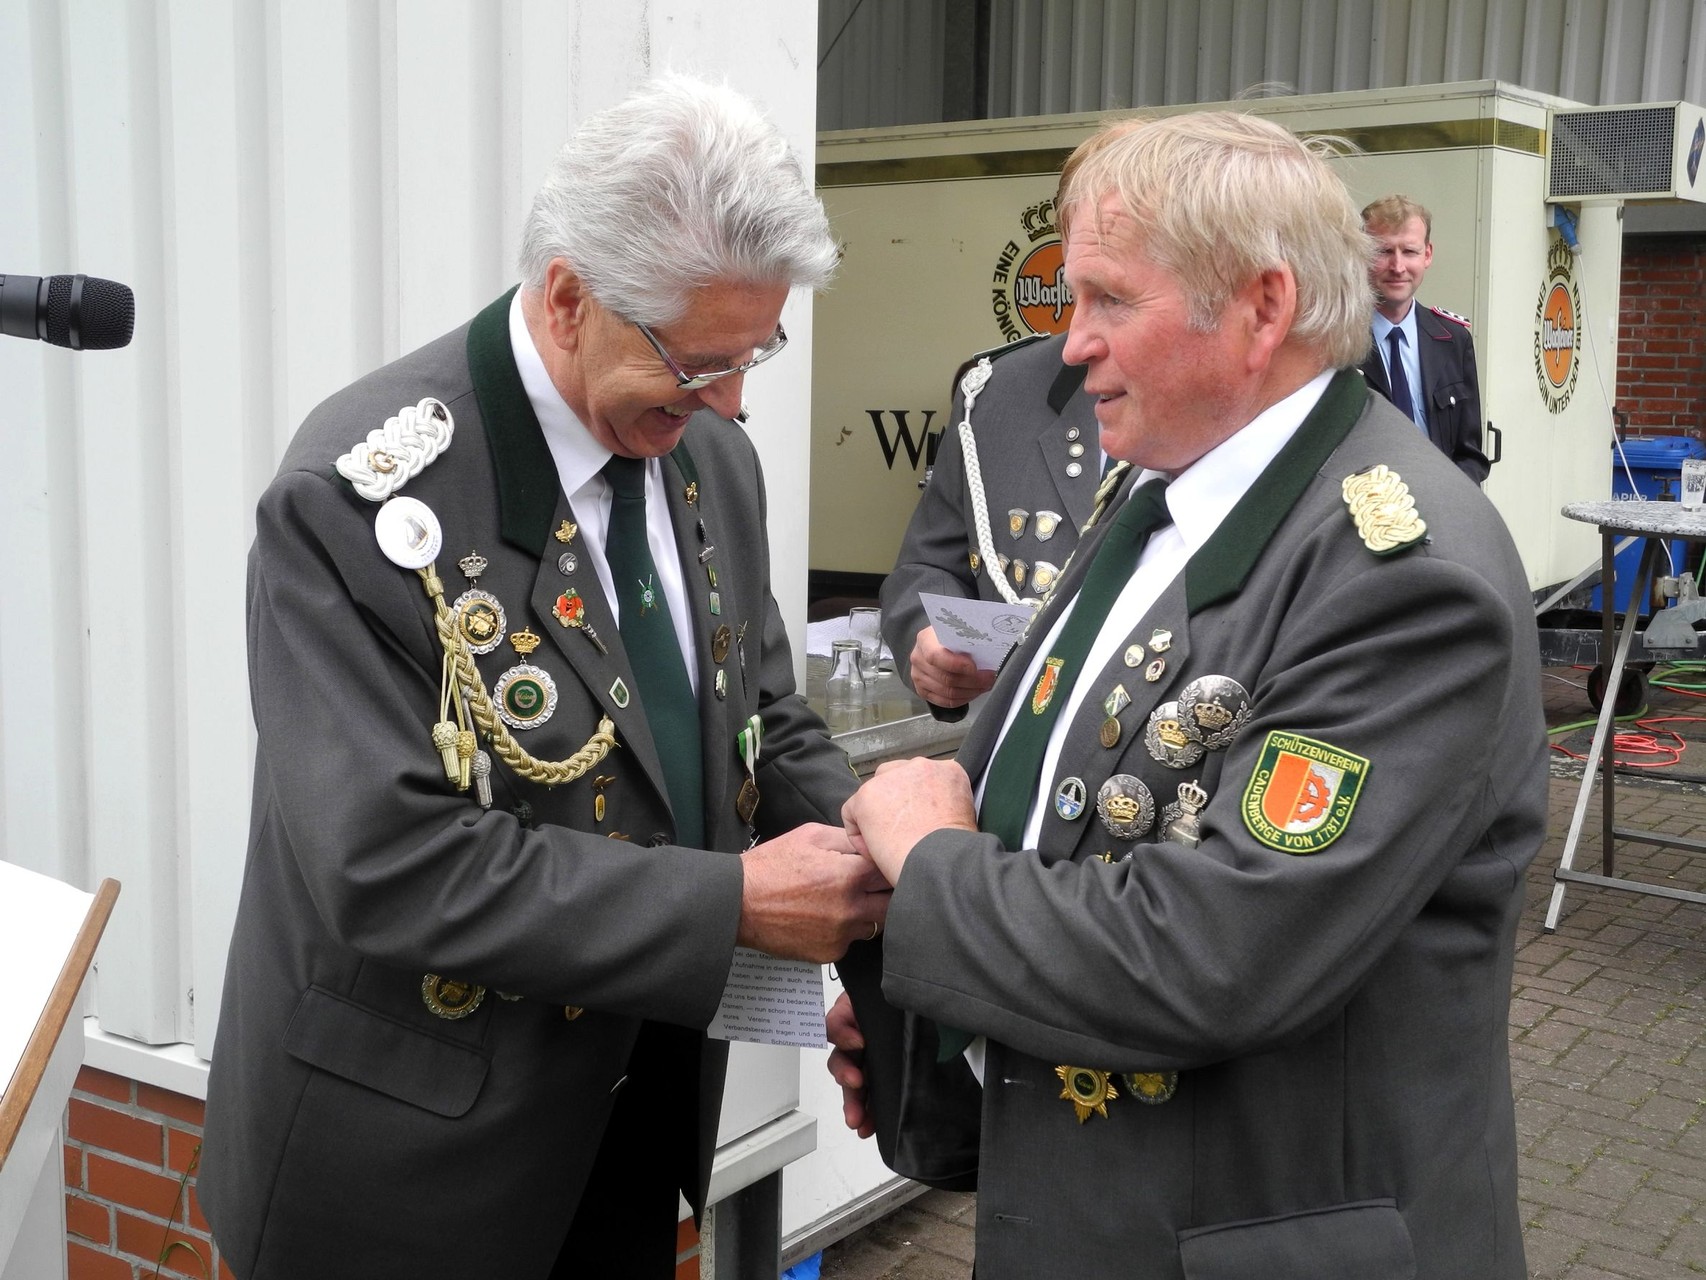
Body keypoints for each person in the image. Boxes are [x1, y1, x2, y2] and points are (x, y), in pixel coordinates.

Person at [830, 111, 1544, 1280]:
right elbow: (1061, 801)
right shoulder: (1163, 488)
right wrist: (932, 1010)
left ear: (1261, 308)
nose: (1070, 347)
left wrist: (934, 873)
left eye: (1109, 300)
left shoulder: (1404, 576)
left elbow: (1210, 952)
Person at [199, 75, 888, 1280]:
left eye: (755, 350)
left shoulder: (704, 455)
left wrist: (886, 853)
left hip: (627, 1115)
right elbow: (389, 866)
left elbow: (758, 717)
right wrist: (732, 905)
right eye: (699, 358)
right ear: (569, 297)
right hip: (410, 1164)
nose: (730, 401)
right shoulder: (362, 498)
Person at [879, 330, 1100, 718]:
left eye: (1114, 297)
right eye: (1079, 292)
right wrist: (935, 638)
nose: (1080, 334)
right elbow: (929, 566)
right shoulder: (998, 390)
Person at [1359, 193, 1490, 482]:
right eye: (1383, 251)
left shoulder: (1453, 340)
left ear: (1427, 254)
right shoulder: (1335, 344)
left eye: (1409, 251)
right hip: (1365, 516)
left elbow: (1470, 455)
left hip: (1440, 509)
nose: (1398, 267)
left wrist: (1449, 504)